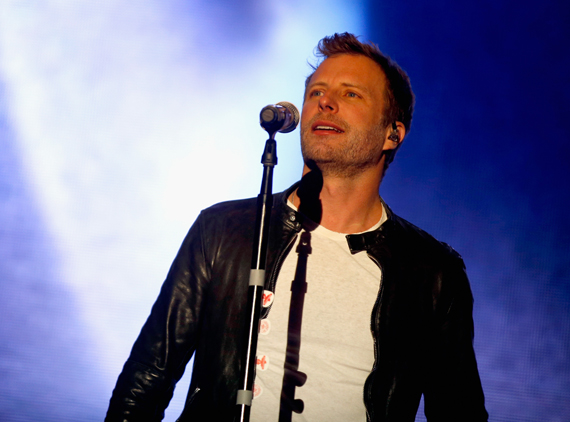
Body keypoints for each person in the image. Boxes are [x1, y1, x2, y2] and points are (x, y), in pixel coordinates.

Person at [106, 33, 488, 422]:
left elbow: (459, 412)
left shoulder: (432, 274)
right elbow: (147, 378)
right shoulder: (224, 232)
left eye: (351, 94)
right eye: (316, 92)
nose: (325, 102)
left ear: (393, 133)